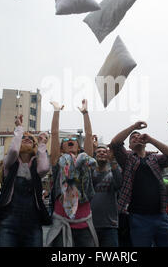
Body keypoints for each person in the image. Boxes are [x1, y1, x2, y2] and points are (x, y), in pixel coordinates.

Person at [110, 119, 168, 247]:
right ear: (129, 146)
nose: (136, 138)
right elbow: (115, 143)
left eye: (139, 136)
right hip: (138, 217)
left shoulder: (154, 158)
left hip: (161, 215)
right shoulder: (127, 158)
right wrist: (134, 127)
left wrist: (151, 139)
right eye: (133, 138)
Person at [46, 99, 99, 247]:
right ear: (62, 147)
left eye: (74, 138)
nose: (70, 140)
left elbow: (88, 135)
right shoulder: (58, 161)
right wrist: (57, 111)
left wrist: (85, 113)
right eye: (67, 139)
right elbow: (55, 134)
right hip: (61, 222)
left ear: (78, 145)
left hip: (84, 223)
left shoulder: (85, 159)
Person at [0, 115, 51, 247]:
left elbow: (44, 168)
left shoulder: (35, 165)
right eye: (24, 137)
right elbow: (13, 150)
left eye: (31, 138)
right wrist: (19, 128)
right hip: (8, 220)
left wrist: (42, 144)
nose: (27, 139)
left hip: (33, 222)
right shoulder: (10, 162)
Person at [90, 144, 122, 247]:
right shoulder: (90, 174)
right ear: (94, 156)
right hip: (89, 224)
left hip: (109, 225)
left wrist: (112, 160)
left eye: (104, 152)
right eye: (98, 152)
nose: (102, 153)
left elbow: (119, 184)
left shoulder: (112, 173)